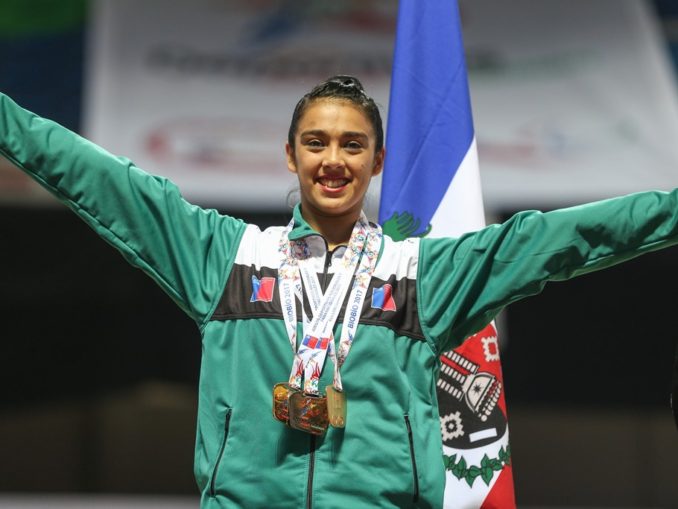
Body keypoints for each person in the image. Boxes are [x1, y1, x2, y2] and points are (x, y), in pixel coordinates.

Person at [2, 75, 678, 509]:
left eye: (353, 145)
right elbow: (103, 181)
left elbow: (560, 237)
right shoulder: (226, 259)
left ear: (377, 161)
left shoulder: (422, 275)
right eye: (316, 142)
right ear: (290, 155)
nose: (333, 160)